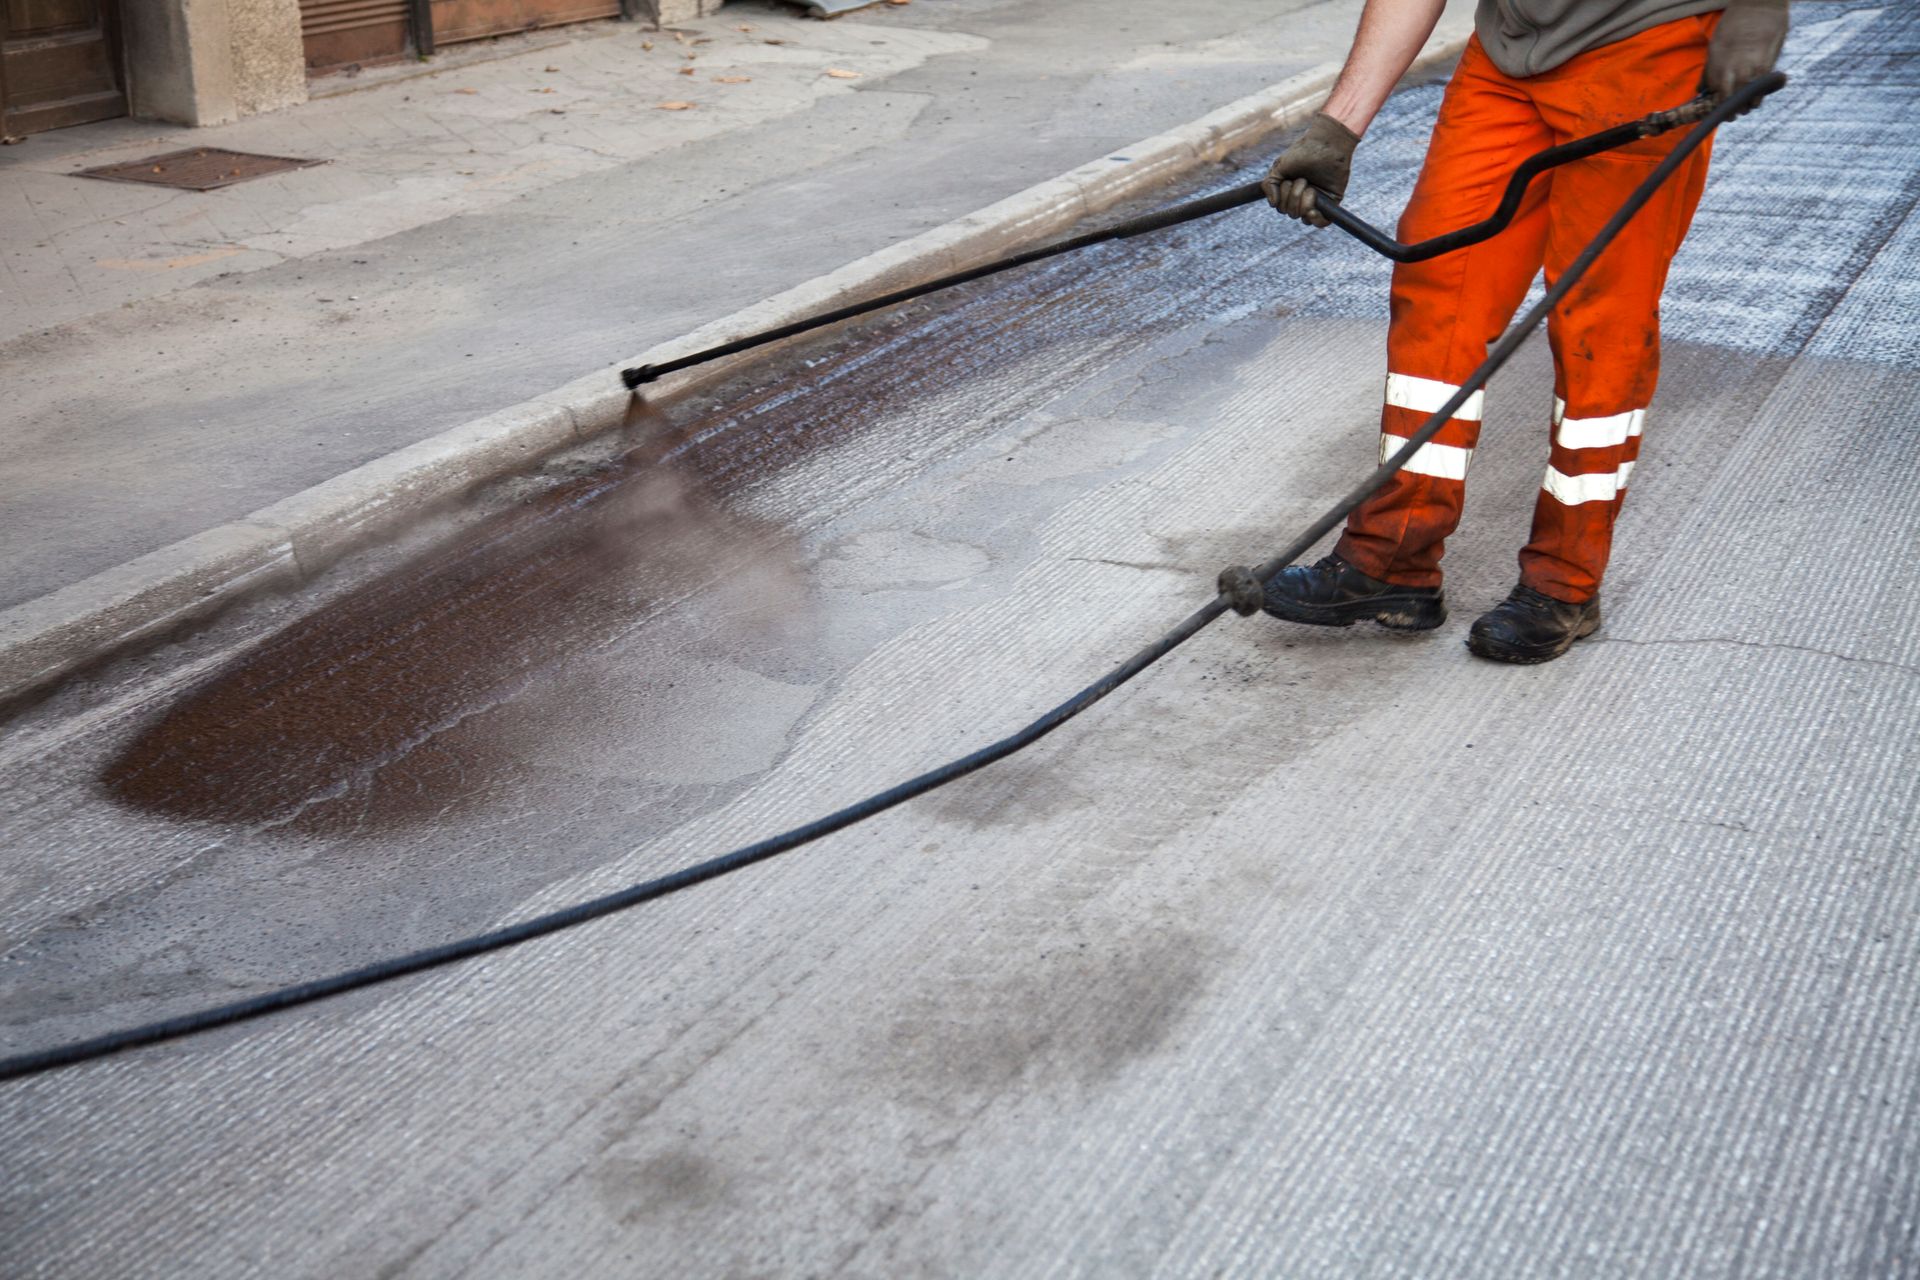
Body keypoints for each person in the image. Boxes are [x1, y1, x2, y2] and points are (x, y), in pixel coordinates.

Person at [1260, 0, 1787, 662]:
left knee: (1600, 321)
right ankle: (1391, 560)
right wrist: (1337, 127)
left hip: (1647, 47)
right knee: (1437, 282)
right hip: (1508, 56)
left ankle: (1563, 583)